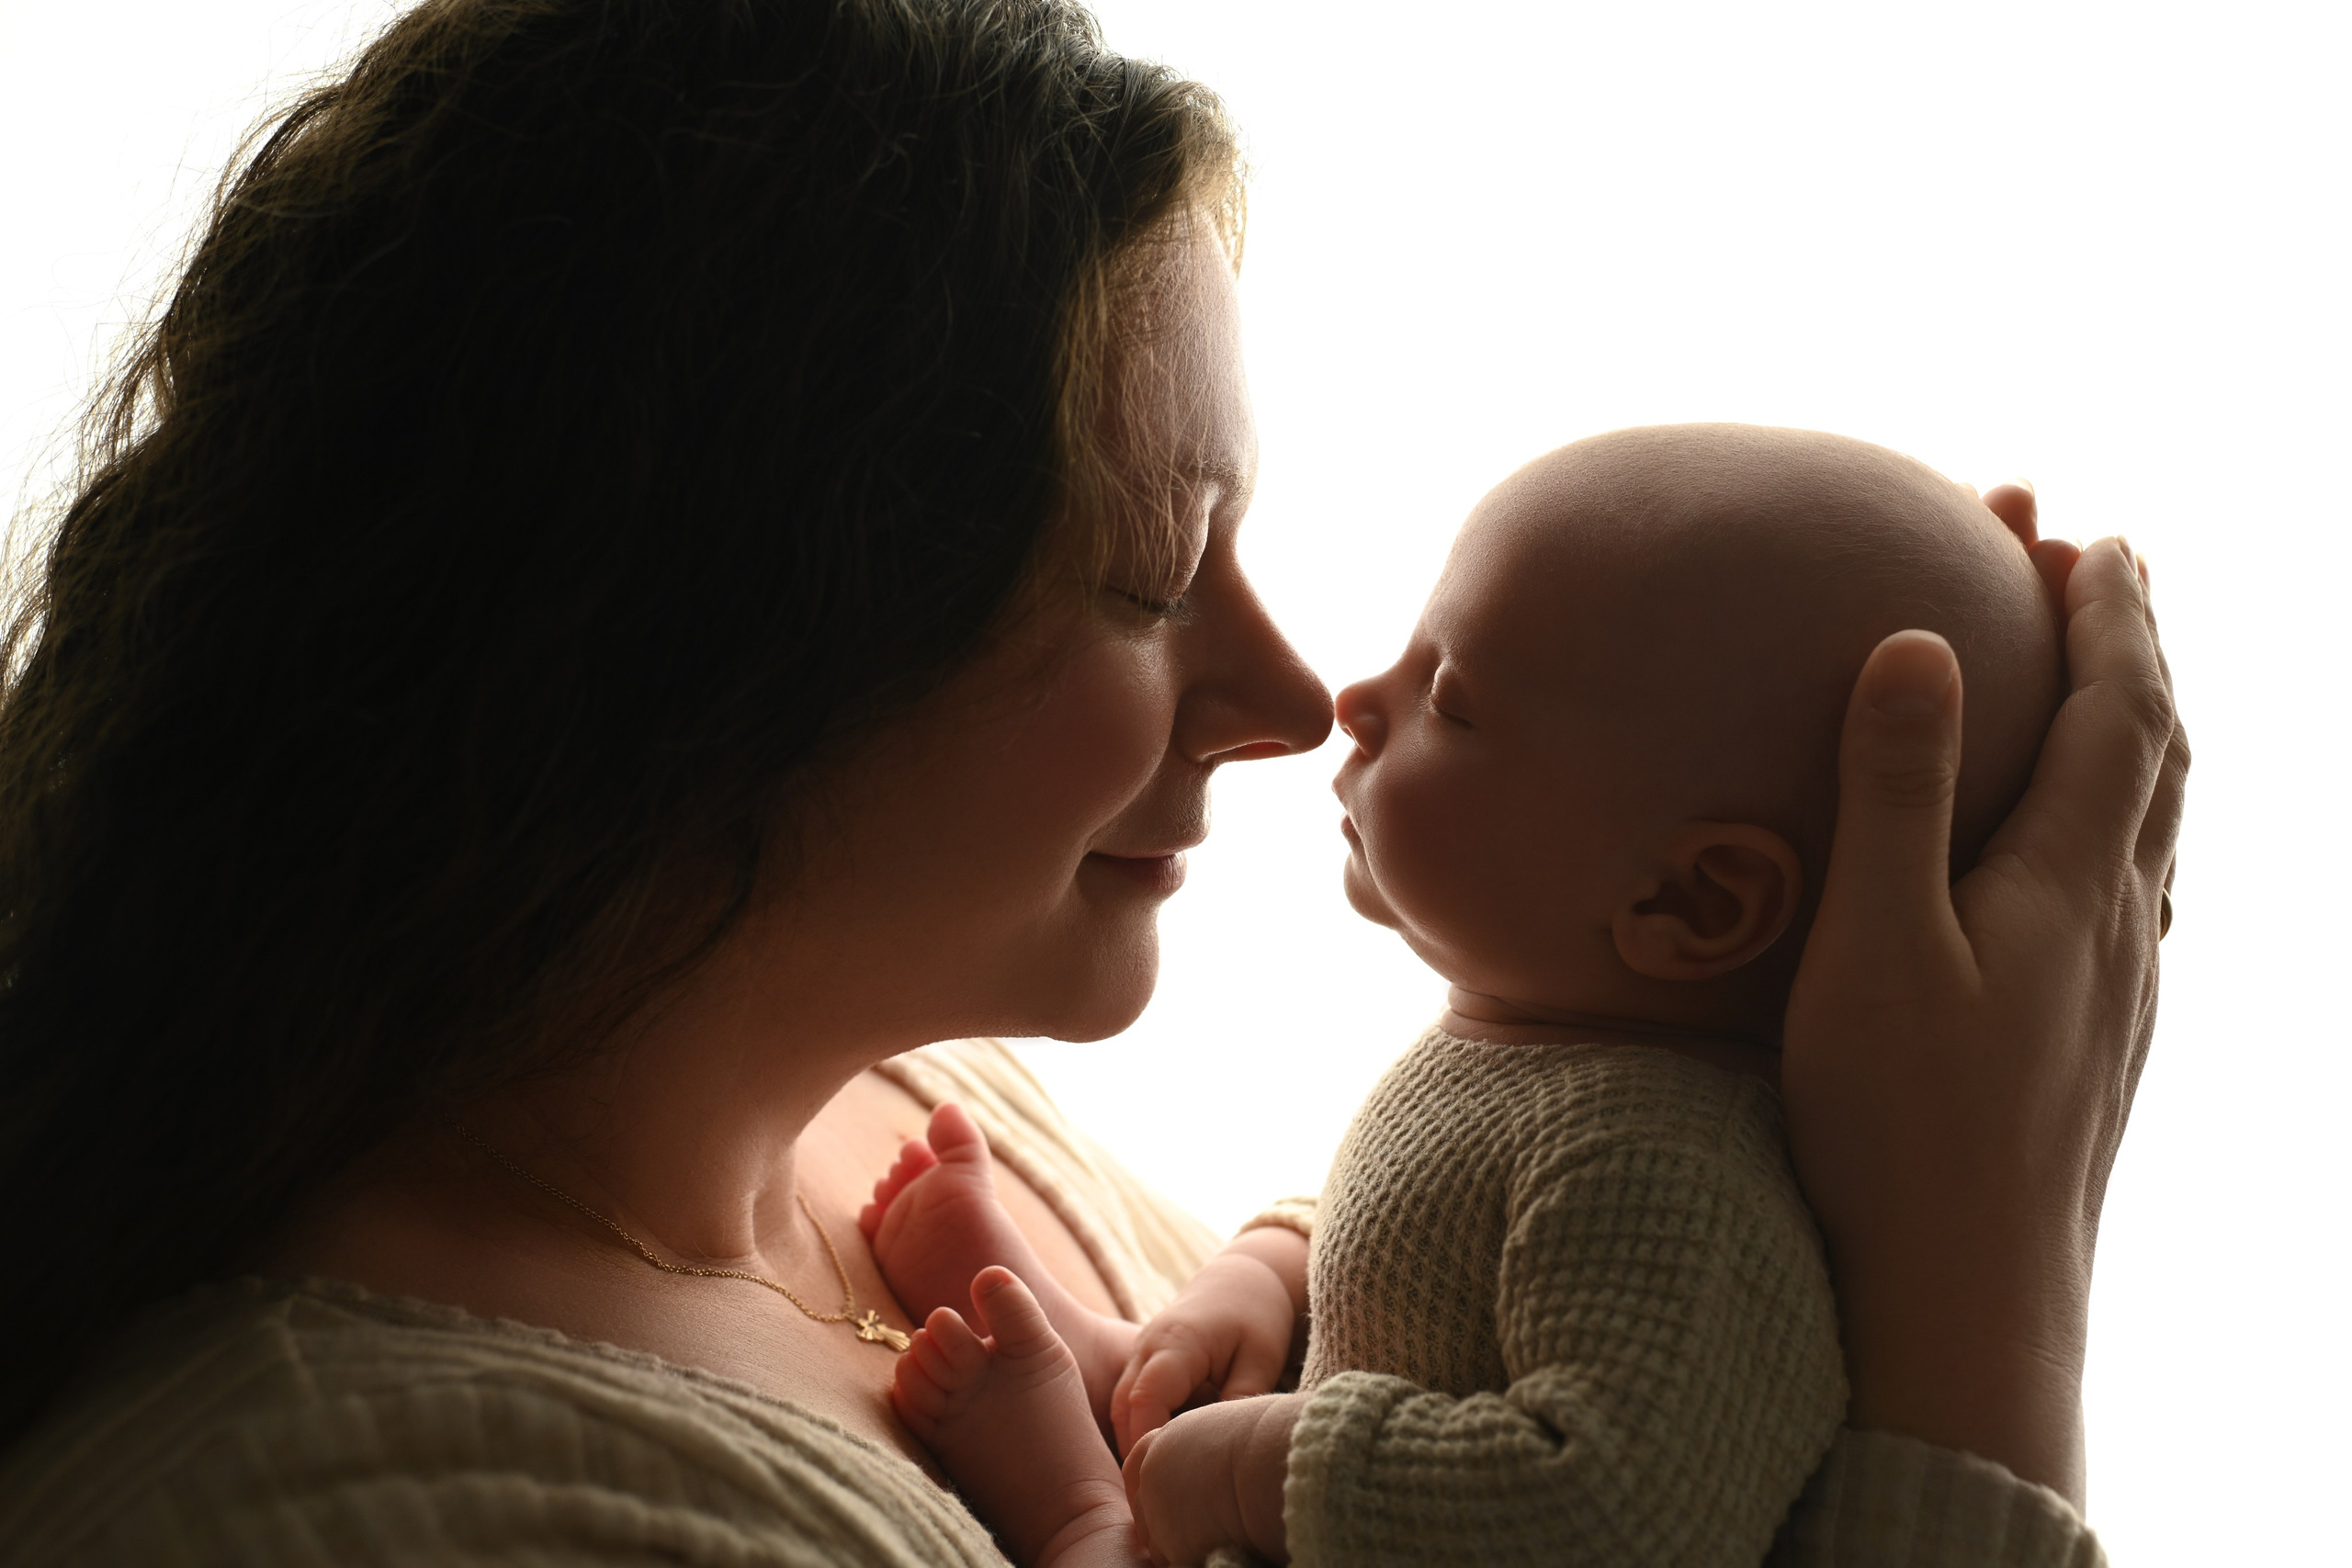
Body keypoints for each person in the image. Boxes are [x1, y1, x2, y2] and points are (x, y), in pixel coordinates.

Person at [0, 2, 2184, 1564]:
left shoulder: (872, 1067)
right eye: (1151, 577)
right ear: (704, 647)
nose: (1281, 685)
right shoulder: (404, 1506)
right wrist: (1981, 1315)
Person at [854, 425, 2069, 1568]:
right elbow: (1434, 1251)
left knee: (1157, 1507)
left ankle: (1076, 1505)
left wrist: (1252, 1470)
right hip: (1348, 1440)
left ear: (1692, 904)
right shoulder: (1556, 1069)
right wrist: (1268, 1270)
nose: (1355, 703)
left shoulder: (1668, 1180)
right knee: (1218, 1375)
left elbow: (1614, 1514)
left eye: (1452, 697)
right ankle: (1126, 1368)